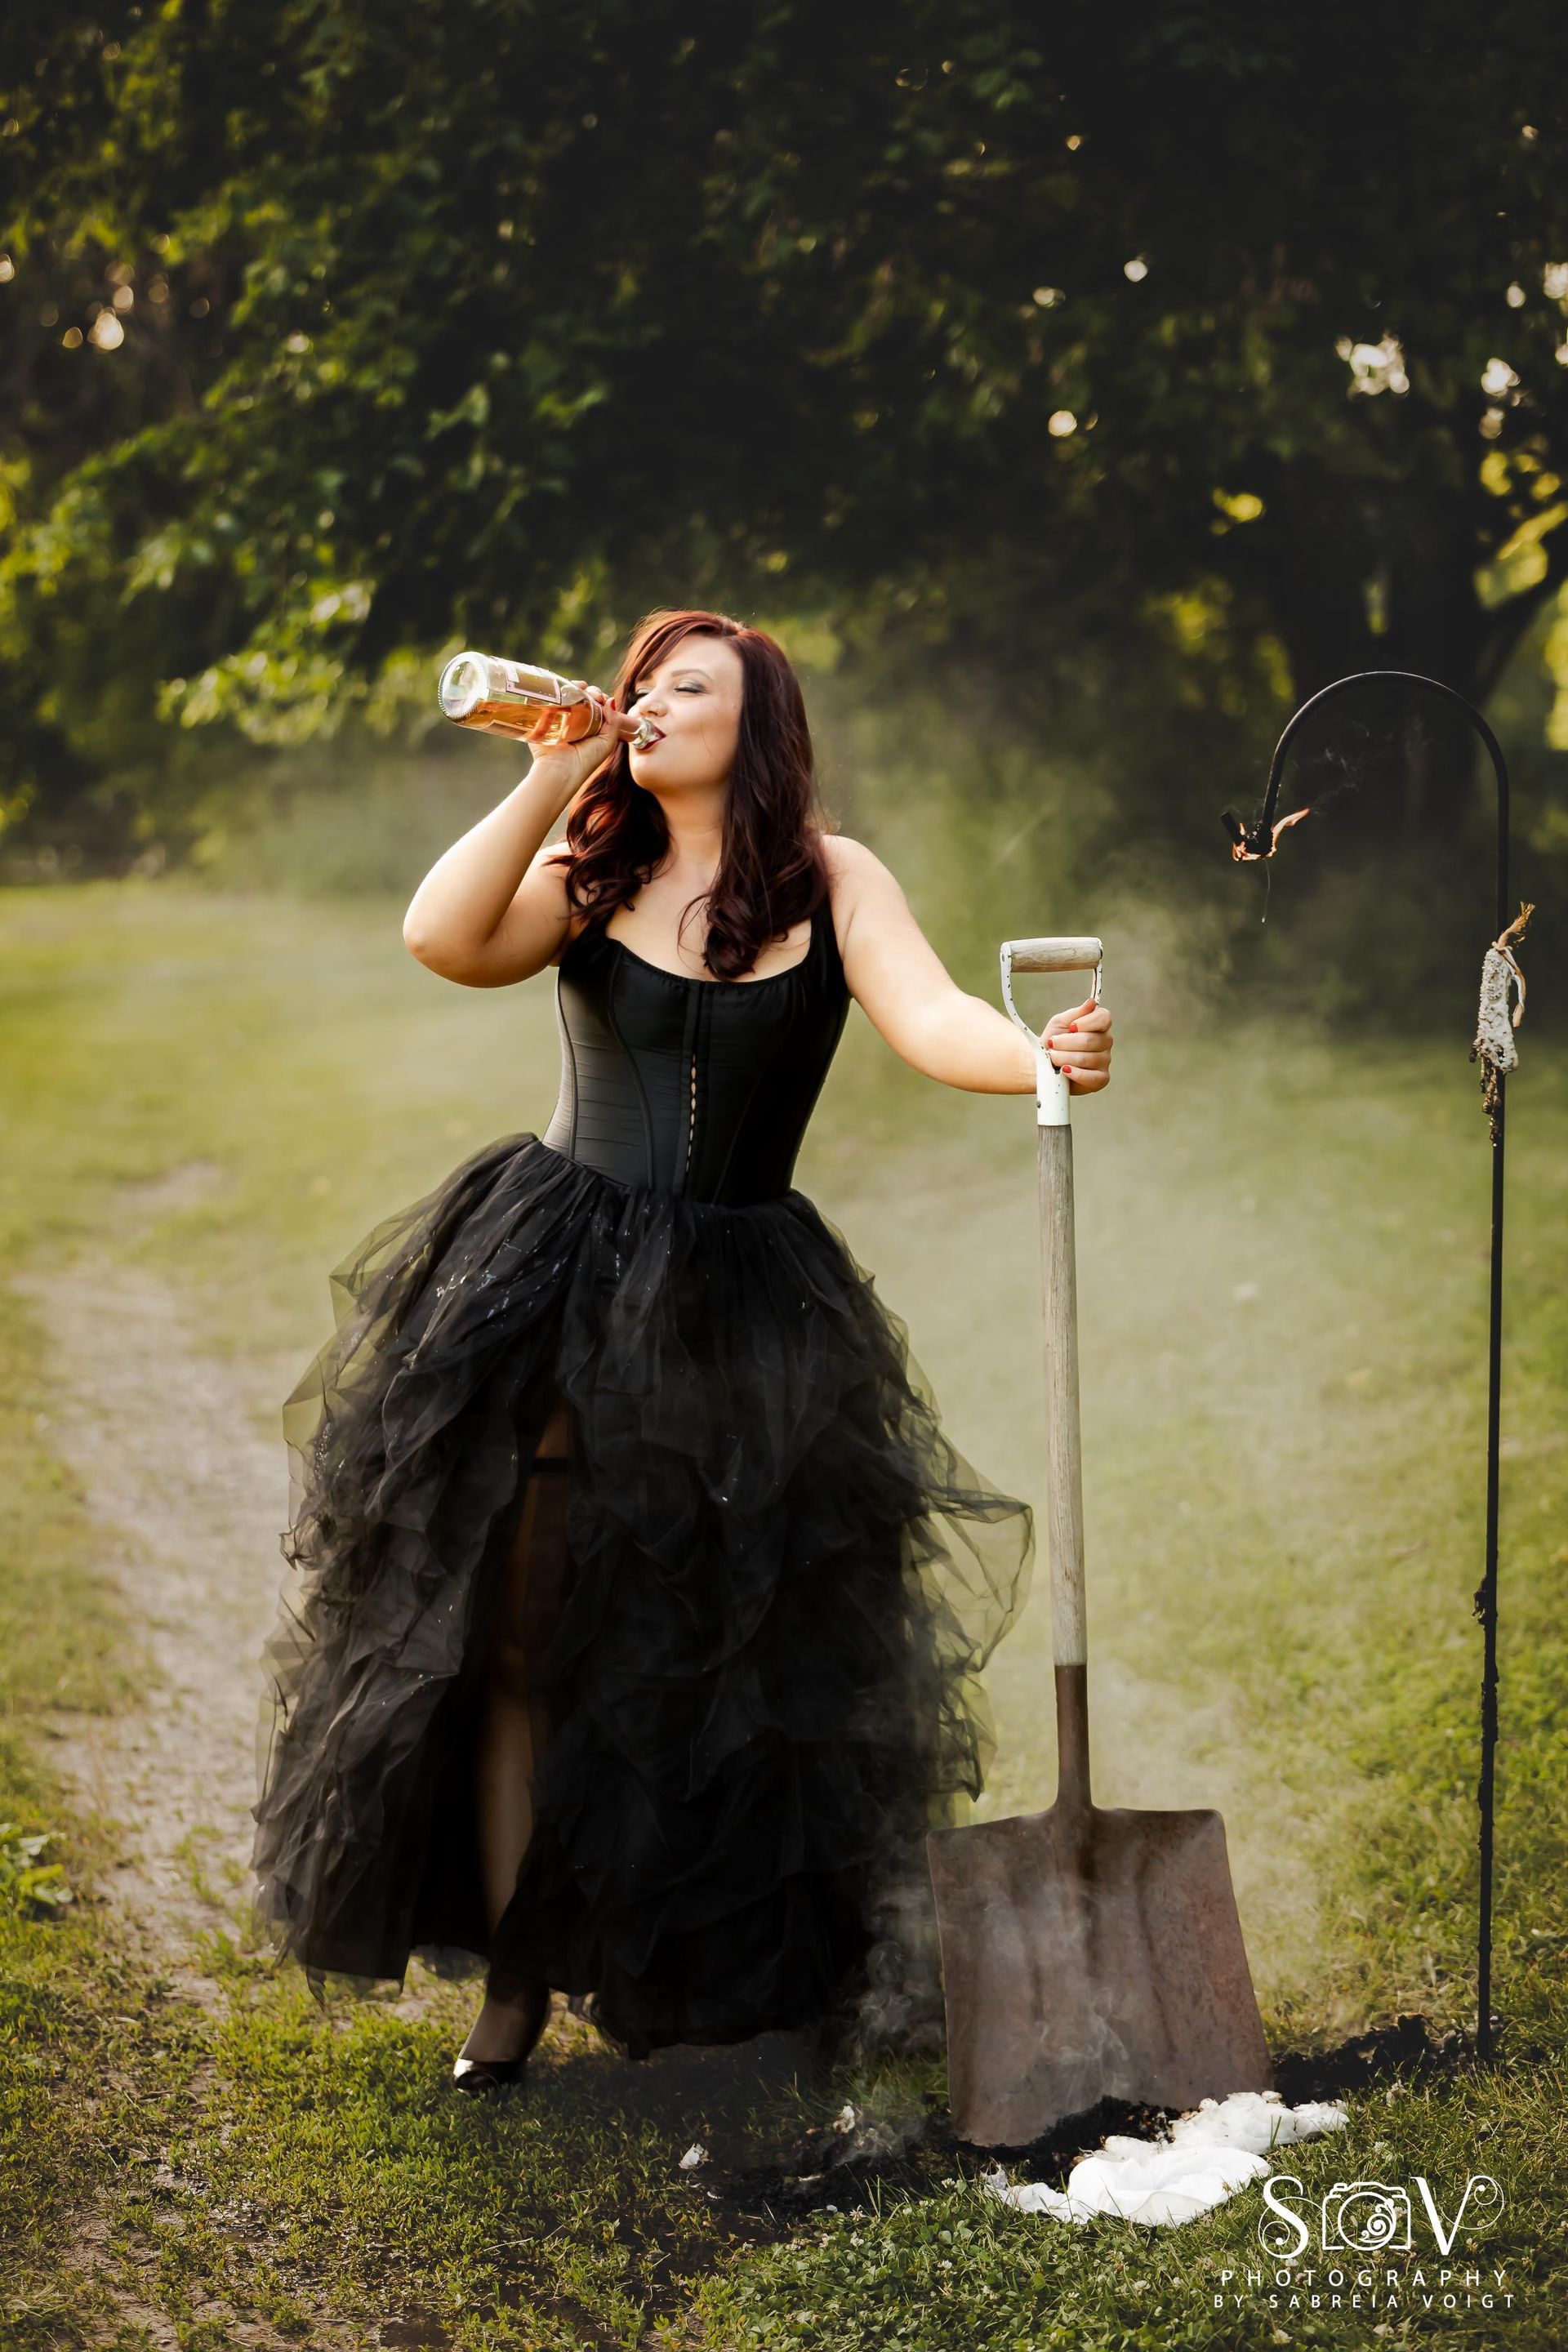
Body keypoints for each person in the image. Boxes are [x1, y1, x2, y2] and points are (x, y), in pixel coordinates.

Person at [249, 607, 1114, 2092]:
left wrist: (1038, 1057)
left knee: (727, 1658)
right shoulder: (595, 856)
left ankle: (735, 1962)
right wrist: (551, 769)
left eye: (684, 688)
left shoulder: (833, 878)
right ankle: (513, 1986)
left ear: (755, 720)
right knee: (519, 1635)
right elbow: (444, 937)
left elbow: (929, 1014)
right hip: (557, 1272)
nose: (647, 705)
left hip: (748, 1303)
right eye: (639, 686)